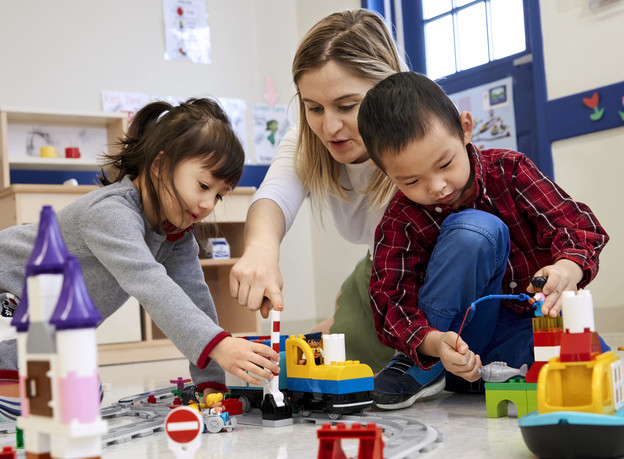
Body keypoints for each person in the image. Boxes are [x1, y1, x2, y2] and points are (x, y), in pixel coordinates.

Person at [0, 98, 280, 419]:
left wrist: (210, 383)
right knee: (55, 394)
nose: (207, 204)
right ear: (160, 165)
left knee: (80, 395)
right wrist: (219, 345)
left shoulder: (175, 232)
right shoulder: (110, 212)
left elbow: (194, 298)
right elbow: (150, 284)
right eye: (203, 185)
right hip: (9, 297)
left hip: (42, 321)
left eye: (218, 194)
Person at [357, 71, 610, 410]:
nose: (437, 187)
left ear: (465, 129)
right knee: (476, 230)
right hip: (445, 346)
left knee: (594, 364)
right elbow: (390, 298)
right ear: (383, 170)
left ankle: (492, 378)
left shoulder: (510, 170)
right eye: (411, 180)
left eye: (445, 163)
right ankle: (423, 370)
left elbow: (578, 225)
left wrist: (568, 267)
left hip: (516, 334)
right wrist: (431, 343)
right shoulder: (402, 217)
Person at [229, 9, 405, 372]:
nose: (330, 126)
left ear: (387, 89)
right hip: (385, 264)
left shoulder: (419, 133)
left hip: (429, 270)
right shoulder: (307, 141)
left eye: (347, 106)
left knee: (351, 337)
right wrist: (262, 250)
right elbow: (275, 196)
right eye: (314, 108)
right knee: (321, 340)